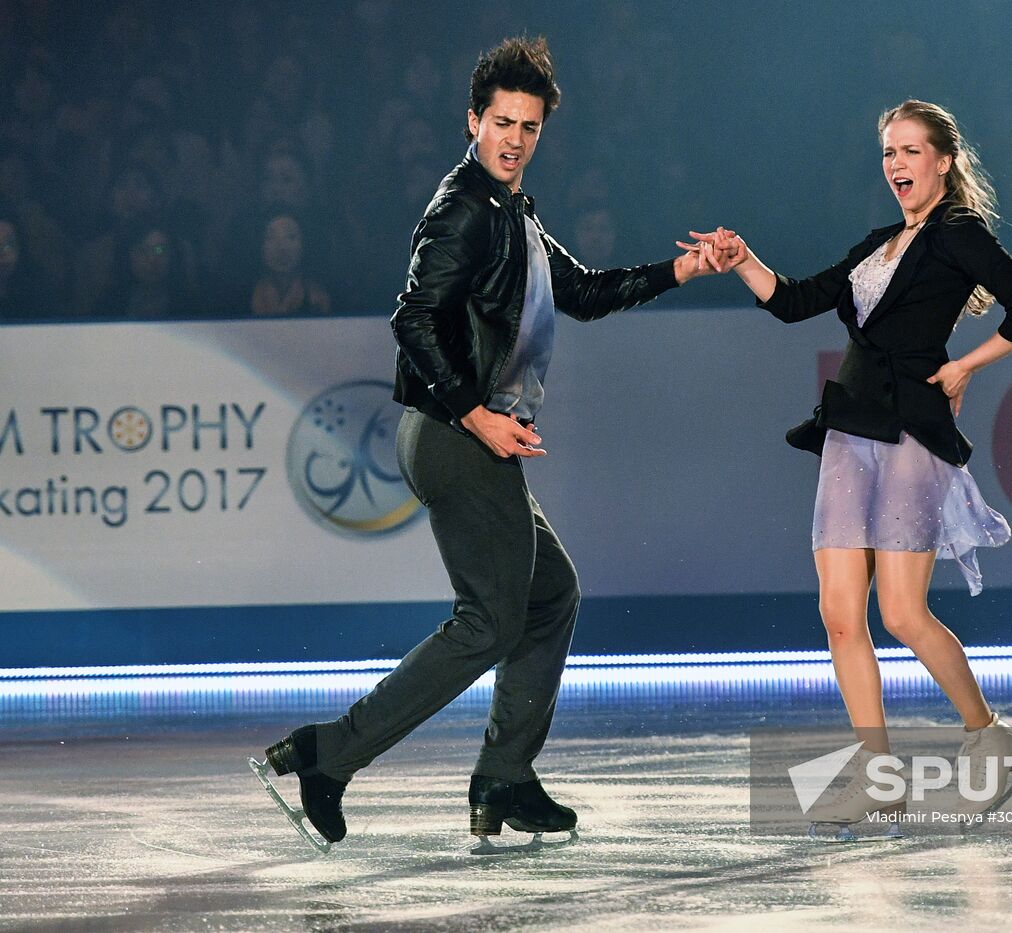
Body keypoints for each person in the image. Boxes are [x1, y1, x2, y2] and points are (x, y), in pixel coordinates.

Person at [256, 36, 727, 851]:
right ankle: (327, 754)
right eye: (501, 122)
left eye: (529, 126)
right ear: (472, 120)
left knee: (551, 595)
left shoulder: (514, 208)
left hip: (465, 436)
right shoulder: (464, 209)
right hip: (452, 435)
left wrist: (679, 273)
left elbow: (578, 291)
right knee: (489, 621)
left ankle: (504, 775)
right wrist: (476, 413)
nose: (514, 138)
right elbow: (412, 317)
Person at [684, 99, 1012, 830]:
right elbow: (794, 302)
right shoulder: (881, 241)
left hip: (910, 435)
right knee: (839, 614)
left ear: (943, 160)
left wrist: (966, 367)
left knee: (902, 612)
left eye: (911, 151)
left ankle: (989, 735)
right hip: (850, 428)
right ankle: (879, 775)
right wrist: (742, 258)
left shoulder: (958, 234)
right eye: (889, 152)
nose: (897, 165)